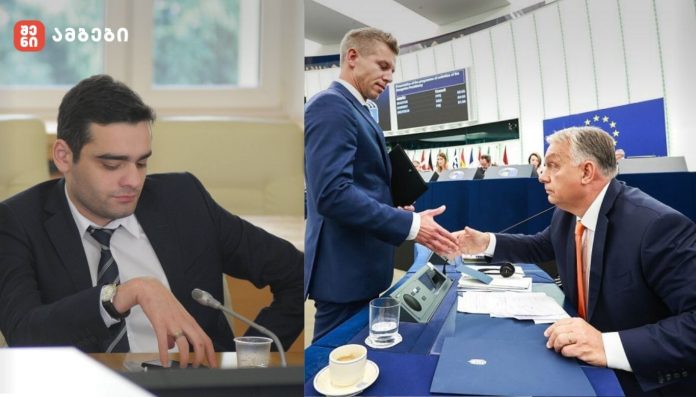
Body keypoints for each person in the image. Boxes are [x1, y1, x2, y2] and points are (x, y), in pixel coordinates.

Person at [0, 75, 303, 368]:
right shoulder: (17, 222)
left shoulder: (184, 200)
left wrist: (243, 361)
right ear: (64, 156)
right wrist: (123, 294)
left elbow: (298, 273)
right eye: (112, 164)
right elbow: (23, 334)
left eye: (142, 162)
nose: (133, 180)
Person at [455, 126, 696, 395]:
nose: (541, 176)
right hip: (581, 361)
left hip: (642, 380)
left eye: (552, 166)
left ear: (586, 172)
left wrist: (605, 345)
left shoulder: (656, 226)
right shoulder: (567, 214)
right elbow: (541, 245)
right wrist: (485, 242)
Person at [304, 27, 458, 342]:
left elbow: (360, 185)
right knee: (330, 363)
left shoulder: (358, 110)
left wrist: (390, 207)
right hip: (343, 272)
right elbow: (332, 194)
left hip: (362, 266)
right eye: (383, 66)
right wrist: (411, 224)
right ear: (352, 57)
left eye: (392, 70)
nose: (389, 77)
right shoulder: (331, 106)